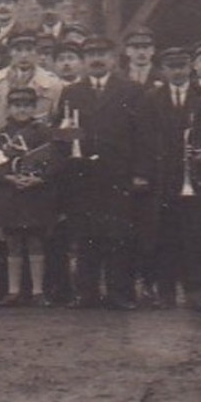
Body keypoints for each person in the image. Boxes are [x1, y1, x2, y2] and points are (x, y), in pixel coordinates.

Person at [52, 37, 154, 309]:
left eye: (102, 54)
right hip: (83, 175)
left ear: (113, 58)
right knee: (86, 235)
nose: (97, 59)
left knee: (119, 236)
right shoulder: (72, 92)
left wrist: (141, 172)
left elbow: (145, 134)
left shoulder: (132, 90)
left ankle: (120, 294)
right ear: (84, 61)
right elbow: (60, 133)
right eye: (91, 54)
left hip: (118, 174)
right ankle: (86, 293)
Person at [139, 46, 201, 309]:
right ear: (163, 70)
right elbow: (145, 139)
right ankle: (166, 292)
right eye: (172, 66)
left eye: (182, 66)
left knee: (194, 237)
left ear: (190, 68)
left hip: (195, 179)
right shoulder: (151, 98)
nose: (177, 71)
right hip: (163, 180)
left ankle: (194, 292)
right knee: (164, 237)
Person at [0, 86, 64, 306]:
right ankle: (13, 291)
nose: (22, 110)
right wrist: (9, 178)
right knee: (12, 242)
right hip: (11, 193)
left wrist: (40, 178)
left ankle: (38, 292)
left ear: (34, 108)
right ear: (9, 108)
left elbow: (55, 160)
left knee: (35, 241)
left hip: (36, 193)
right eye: (17, 106)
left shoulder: (44, 132)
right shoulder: (2, 134)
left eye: (27, 106)